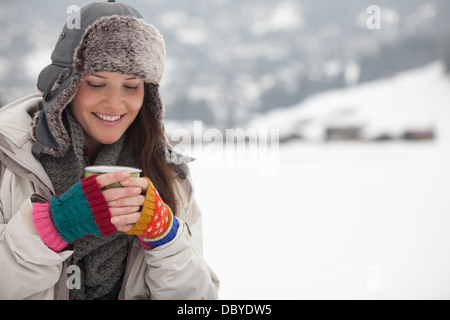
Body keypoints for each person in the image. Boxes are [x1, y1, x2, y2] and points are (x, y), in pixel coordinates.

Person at [0, 0, 219, 300]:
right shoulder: (9, 159)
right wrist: (51, 228)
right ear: (66, 86)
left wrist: (166, 239)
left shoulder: (171, 176)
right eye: (96, 83)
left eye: (131, 86)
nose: (115, 104)